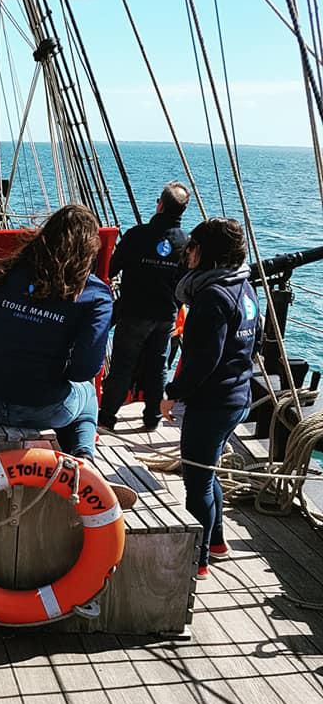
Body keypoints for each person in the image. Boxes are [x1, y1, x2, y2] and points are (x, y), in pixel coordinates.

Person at [0, 204, 112, 461]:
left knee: (69, 394)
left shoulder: (10, 272)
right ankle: (84, 458)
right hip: (42, 407)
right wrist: (57, 373)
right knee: (87, 393)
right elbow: (85, 369)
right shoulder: (95, 295)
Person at [160, 217, 261, 580]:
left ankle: (197, 561)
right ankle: (216, 541)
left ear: (205, 253)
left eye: (192, 247)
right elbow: (255, 343)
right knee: (210, 471)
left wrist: (172, 395)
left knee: (197, 481)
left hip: (213, 402)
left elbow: (204, 359)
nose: (187, 253)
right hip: (237, 396)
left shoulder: (212, 298)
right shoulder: (244, 288)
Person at [99, 181, 190, 432]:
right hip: (165, 315)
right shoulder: (187, 243)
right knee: (158, 366)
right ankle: (152, 418)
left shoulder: (137, 235)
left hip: (134, 312)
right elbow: (187, 283)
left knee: (122, 366)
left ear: (160, 204)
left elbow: (112, 268)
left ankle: (107, 416)